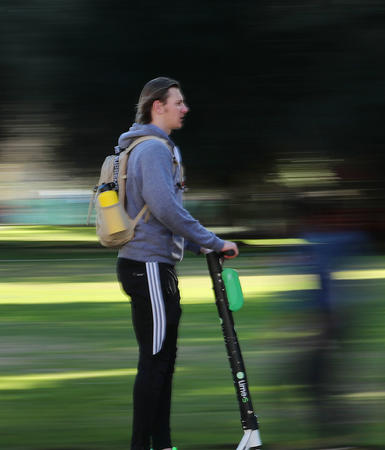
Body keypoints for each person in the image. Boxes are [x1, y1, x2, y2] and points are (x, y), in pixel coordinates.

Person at [115, 76, 238, 450]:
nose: (185, 108)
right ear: (158, 106)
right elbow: (165, 207)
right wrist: (213, 240)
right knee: (155, 361)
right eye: (178, 102)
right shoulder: (152, 149)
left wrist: (197, 244)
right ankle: (142, 445)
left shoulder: (158, 147)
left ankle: (163, 444)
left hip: (156, 266)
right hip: (147, 265)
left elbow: (165, 210)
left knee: (164, 361)